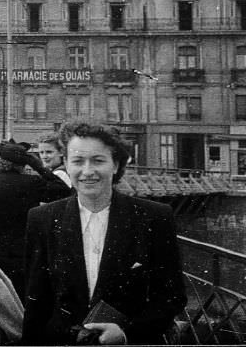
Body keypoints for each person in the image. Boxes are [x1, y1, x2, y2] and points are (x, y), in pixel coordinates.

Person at [23, 119, 187, 345]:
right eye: (78, 161)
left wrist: (128, 333)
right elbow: (36, 301)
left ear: (116, 165)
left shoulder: (154, 216)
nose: (87, 171)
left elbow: (172, 296)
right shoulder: (42, 218)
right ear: (67, 165)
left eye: (98, 161)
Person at [0, 139, 68, 299]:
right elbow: (63, 190)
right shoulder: (32, 183)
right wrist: (37, 165)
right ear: (22, 163)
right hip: (22, 254)